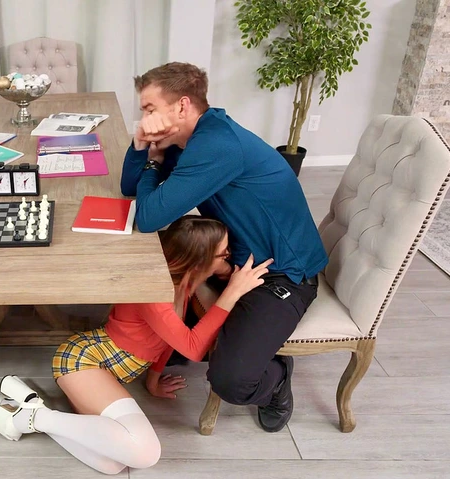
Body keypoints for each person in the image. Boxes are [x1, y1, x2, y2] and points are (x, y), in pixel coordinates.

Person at [0, 217, 273, 475]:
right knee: (145, 453)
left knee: (112, 464)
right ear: (199, 260)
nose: (230, 256)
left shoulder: (183, 284)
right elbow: (193, 348)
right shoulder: (154, 293)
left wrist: (153, 382)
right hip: (82, 361)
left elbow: (169, 339)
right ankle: (31, 416)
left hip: (108, 371)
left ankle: (21, 407)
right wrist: (230, 294)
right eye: (223, 253)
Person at [119, 62, 328, 433]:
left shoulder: (216, 146)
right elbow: (129, 188)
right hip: (236, 260)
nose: (145, 119)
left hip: (281, 274)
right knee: (173, 302)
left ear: (182, 106)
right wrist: (142, 147)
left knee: (231, 381)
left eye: (150, 109)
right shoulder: (192, 140)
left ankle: (277, 377)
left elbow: (148, 217)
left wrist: (152, 164)